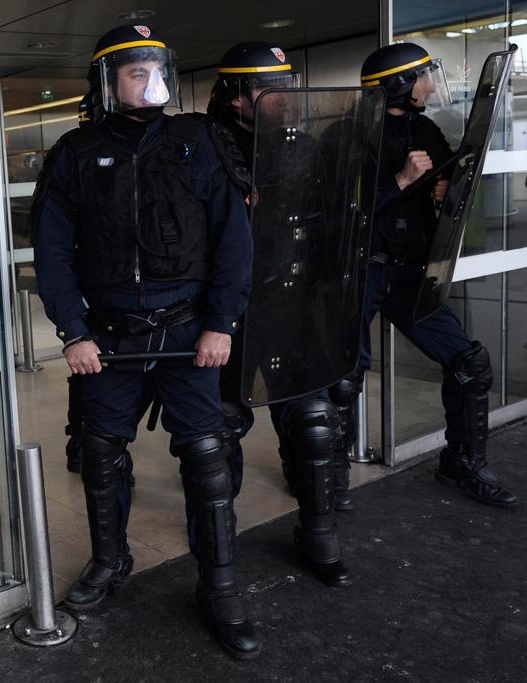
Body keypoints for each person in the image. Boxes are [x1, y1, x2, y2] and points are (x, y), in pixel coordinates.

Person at [32, 25, 261, 659]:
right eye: (136, 72)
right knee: (102, 451)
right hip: (107, 339)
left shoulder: (200, 141)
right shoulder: (76, 152)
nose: (151, 81)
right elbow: (52, 249)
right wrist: (73, 331)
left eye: (157, 69)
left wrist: (222, 324)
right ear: (108, 82)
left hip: (190, 331)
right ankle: (111, 562)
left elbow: (233, 240)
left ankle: (220, 585)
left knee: (208, 455)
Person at [204, 41, 354, 586]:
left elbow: (325, 220)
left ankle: (317, 535)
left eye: (289, 83)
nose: (287, 96)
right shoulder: (205, 150)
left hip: (289, 301)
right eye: (273, 87)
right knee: (218, 436)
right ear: (236, 98)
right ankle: (219, 553)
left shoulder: (301, 145)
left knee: (314, 424)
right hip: (229, 311)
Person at [359, 42, 517, 507]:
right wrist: (401, 182)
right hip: (364, 272)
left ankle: (462, 463)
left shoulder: (424, 128)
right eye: (424, 76)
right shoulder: (350, 137)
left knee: (470, 363)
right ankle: (319, 481)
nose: (431, 85)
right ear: (400, 85)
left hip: (410, 273)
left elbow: (452, 182)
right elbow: (340, 216)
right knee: (340, 380)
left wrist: (442, 190)